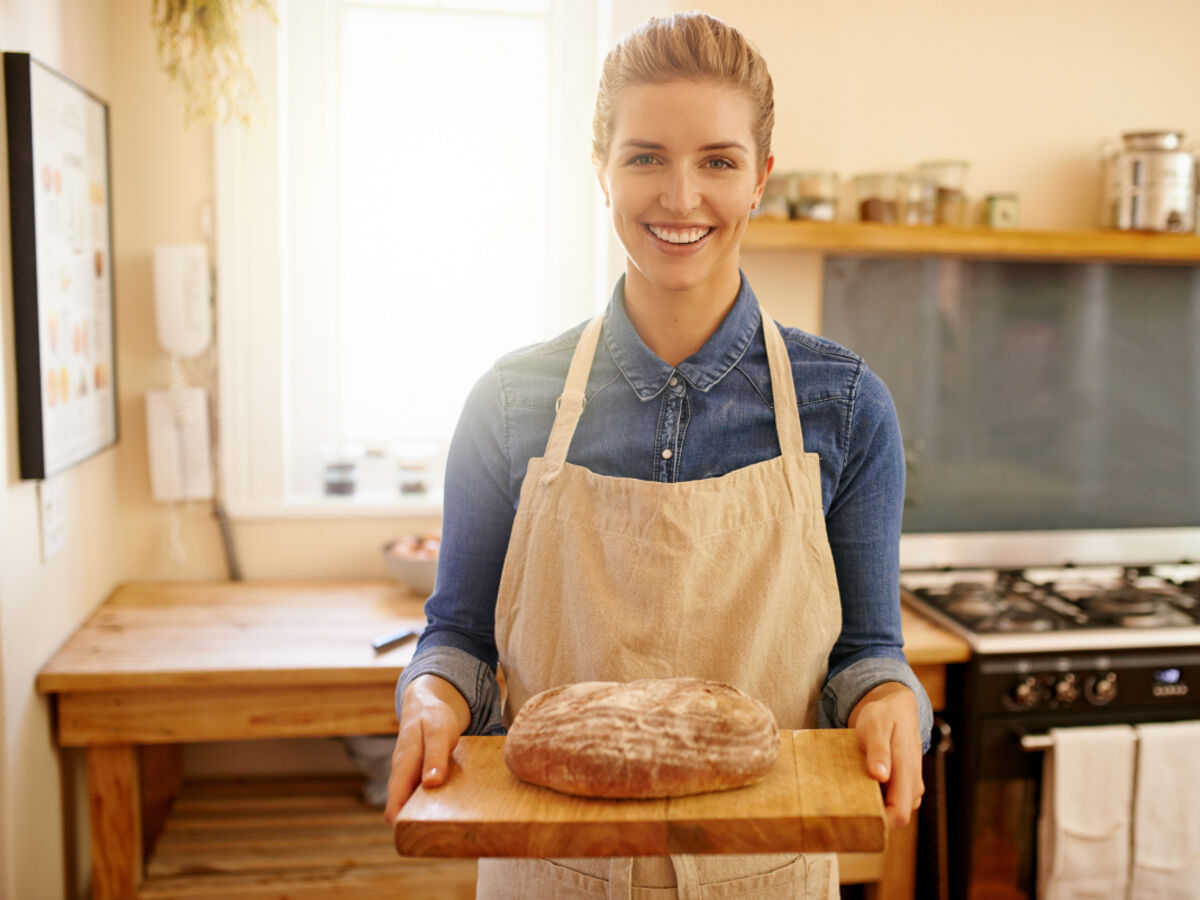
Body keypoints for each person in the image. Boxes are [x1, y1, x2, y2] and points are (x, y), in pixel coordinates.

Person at [384, 11, 932, 898]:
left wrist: (890, 703)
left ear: (760, 179)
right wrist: (431, 701)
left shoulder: (845, 406)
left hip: (767, 873)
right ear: (600, 171)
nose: (680, 197)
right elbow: (459, 639)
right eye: (645, 157)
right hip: (548, 873)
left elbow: (866, 655)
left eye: (717, 160)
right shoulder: (510, 403)